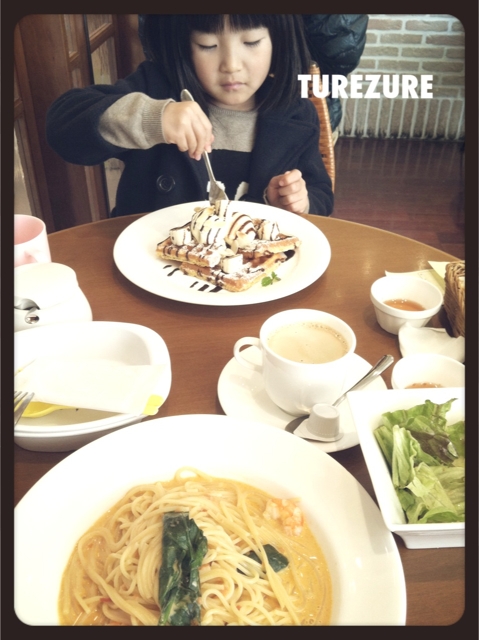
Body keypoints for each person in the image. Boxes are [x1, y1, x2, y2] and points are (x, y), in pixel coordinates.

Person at [46, 14, 334, 218]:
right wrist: (152, 119)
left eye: (251, 42)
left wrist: (298, 202)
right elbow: (63, 126)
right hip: (151, 268)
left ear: (277, 40)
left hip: (254, 274)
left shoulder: (296, 114)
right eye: (208, 45)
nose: (231, 65)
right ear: (184, 44)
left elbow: (320, 191)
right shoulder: (156, 88)